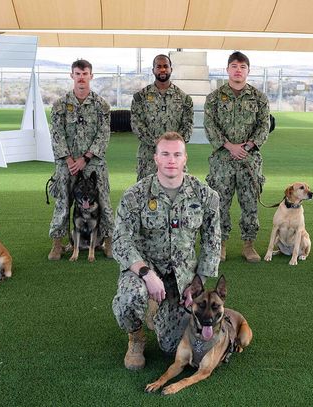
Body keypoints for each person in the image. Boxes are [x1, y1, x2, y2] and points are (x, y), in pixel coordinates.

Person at [112, 132, 220, 370]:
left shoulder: (205, 195)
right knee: (130, 298)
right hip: (144, 271)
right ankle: (136, 337)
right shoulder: (136, 195)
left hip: (182, 281)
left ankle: (157, 313)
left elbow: (213, 243)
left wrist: (198, 285)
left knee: (171, 347)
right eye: (165, 154)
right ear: (156, 158)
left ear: (185, 159)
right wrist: (146, 274)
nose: (171, 159)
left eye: (177, 154)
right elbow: (120, 239)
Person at [204, 51, 270, 263]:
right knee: (219, 203)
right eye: (234, 66)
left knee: (249, 204)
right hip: (222, 160)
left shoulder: (259, 98)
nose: (238, 70)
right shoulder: (214, 98)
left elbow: (264, 126)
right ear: (227, 70)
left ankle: (248, 245)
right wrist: (229, 146)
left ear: (248, 71)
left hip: (248, 161)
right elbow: (210, 126)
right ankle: (221, 244)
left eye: (242, 67)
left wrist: (249, 145)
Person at [47, 59, 115, 260]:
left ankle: (108, 240)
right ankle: (58, 243)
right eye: (78, 74)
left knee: (103, 199)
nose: (81, 78)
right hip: (66, 163)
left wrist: (85, 158)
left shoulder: (101, 105)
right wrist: (69, 159)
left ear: (91, 76)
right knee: (63, 201)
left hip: (93, 161)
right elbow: (57, 134)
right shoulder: (60, 105)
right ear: (72, 76)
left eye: (85, 74)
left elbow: (104, 135)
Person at [131, 54, 194, 180]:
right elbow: (137, 125)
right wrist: (158, 144)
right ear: (153, 70)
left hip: (175, 158)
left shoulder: (183, 99)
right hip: (149, 156)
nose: (162, 69)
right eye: (158, 66)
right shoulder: (141, 97)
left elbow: (188, 126)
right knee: (147, 196)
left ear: (171, 69)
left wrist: (172, 146)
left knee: (176, 195)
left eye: (166, 66)